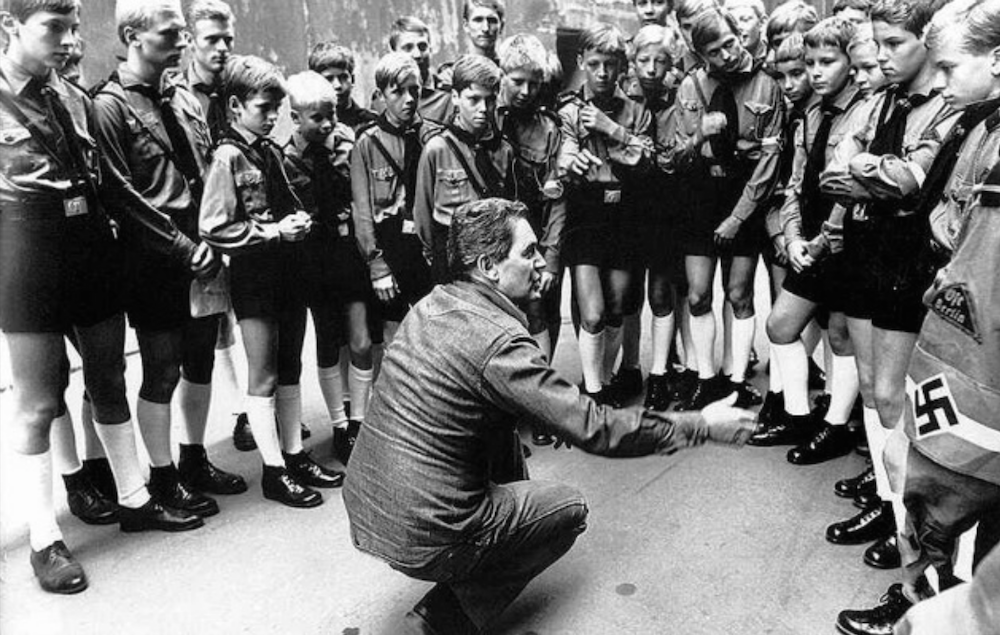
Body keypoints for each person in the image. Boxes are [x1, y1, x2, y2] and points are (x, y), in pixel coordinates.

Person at [343, 197, 758, 635]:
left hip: (365, 509)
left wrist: (538, 410)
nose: (542, 262)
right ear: (488, 266)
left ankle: (467, 545)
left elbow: (462, 392)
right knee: (568, 509)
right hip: (421, 533)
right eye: (528, 252)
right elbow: (597, 430)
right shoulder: (498, 340)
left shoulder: (430, 305)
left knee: (501, 433)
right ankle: (436, 623)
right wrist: (702, 425)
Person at [1, 0, 206, 595]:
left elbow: (114, 186)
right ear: (10, 26)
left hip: (89, 242)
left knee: (108, 376)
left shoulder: (72, 97)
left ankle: (136, 498)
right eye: (54, 29)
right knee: (39, 402)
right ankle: (45, 539)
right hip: (24, 248)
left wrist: (176, 242)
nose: (69, 41)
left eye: (72, 28)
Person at [837, 0, 1000, 631]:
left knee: (956, 499)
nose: (943, 73)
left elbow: (961, 250)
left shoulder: (986, 133)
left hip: (974, 356)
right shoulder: (977, 122)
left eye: (953, 63)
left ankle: (926, 608)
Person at [819, 0, 956, 591]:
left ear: (927, 41)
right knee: (877, 393)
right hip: (871, 250)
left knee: (899, 399)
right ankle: (887, 499)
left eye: (895, 43)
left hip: (913, 260)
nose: (879, 56)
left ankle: (913, 523)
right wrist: (877, 171)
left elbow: (913, 180)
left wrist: (872, 172)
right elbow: (841, 164)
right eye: (877, 44)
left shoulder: (947, 106)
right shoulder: (882, 99)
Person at [93, 0, 249, 519]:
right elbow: (121, 194)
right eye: (171, 31)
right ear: (135, 35)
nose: (183, 39)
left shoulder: (182, 95)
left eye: (184, 30)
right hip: (156, 259)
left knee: (200, 358)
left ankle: (193, 459)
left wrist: (217, 237)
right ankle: (160, 479)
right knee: (161, 368)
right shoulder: (110, 106)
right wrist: (185, 249)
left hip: (204, 252)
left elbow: (205, 172)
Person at [199, 54, 327, 508]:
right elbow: (214, 226)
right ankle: (273, 470)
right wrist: (275, 231)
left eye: (277, 108)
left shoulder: (268, 150)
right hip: (254, 276)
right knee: (265, 373)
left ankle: (294, 455)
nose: (273, 117)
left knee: (291, 365)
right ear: (235, 107)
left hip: (286, 270)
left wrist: (299, 221)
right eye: (263, 108)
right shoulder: (228, 156)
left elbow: (289, 200)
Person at [751, 18, 866, 467]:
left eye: (826, 62)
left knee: (840, 335)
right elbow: (796, 186)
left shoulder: (864, 112)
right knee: (780, 325)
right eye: (810, 64)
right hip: (812, 242)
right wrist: (795, 237)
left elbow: (848, 192)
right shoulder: (811, 114)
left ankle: (835, 425)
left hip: (845, 244)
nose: (816, 73)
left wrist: (820, 243)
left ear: (850, 63)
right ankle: (798, 415)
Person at [673, 6, 784, 410]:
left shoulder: (766, 85)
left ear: (739, 34)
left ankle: (737, 381)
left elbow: (769, 164)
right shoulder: (691, 86)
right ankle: (707, 378)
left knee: (739, 294)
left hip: (745, 193)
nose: (727, 56)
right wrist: (696, 136)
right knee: (699, 295)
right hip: (700, 195)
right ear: (700, 55)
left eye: (730, 43)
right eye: (715, 52)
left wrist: (738, 218)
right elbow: (675, 160)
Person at [281, 70, 372, 470]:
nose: (327, 124)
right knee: (326, 340)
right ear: (295, 117)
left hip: (347, 251)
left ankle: (361, 422)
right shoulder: (283, 157)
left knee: (361, 339)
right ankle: (339, 426)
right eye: (316, 117)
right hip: (311, 259)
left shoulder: (349, 145)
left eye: (331, 114)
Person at [557, 23, 652, 407]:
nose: (601, 73)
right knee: (592, 313)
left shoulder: (636, 111)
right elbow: (561, 153)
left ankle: (605, 379)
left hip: (625, 212)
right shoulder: (568, 109)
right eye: (594, 63)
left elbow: (649, 162)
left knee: (616, 306)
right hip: (586, 213)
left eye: (610, 65)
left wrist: (612, 129)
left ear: (621, 67)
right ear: (581, 61)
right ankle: (592, 391)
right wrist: (568, 160)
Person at [178, 0, 251, 453]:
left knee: (246, 320)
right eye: (212, 40)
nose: (222, 48)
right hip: (199, 226)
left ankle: (248, 411)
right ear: (190, 41)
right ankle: (224, 420)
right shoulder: (180, 97)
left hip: (243, 219)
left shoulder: (237, 88)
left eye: (228, 39)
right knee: (208, 330)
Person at [414, 54, 515, 283]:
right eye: (474, 99)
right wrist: (435, 254)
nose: (483, 109)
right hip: (450, 252)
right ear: (456, 97)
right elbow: (423, 213)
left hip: (492, 251)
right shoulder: (437, 149)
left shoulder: (503, 150)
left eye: (490, 100)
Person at [626, 24, 684, 412]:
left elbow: (671, 157)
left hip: (664, 208)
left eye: (659, 61)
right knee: (627, 294)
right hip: (625, 209)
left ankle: (660, 374)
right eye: (644, 60)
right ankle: (628, 366)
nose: (650, 68)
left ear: (669, 64)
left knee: (661, 292)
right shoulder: (622, 99)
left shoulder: (676, 99)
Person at [372, 16, 453, 124]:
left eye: (422, 47)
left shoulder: (448, 95)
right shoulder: (381, 100)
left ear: (431, 50)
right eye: (408, 48)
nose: (417, 55)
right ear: (393, 52)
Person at [308, 42, 378, 133]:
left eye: (343, 77)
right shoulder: (308, 125)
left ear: (352, 79)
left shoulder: (371, 123)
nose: (338, 85)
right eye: (329, 79)